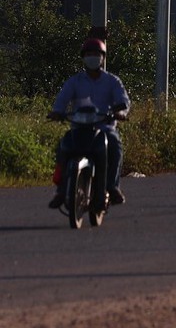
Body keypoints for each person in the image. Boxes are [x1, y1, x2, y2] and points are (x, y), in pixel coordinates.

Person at [47, 38, 130, 209]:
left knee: (114, 146)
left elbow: (123, 101)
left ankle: (113, 187)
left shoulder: (112, 81)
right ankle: (61, 190)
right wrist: (57, 112)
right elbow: (62, 99)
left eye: (96, 54)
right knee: (63, 146)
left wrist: (120, 113)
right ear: (83, 57)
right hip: (79, 128)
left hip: (104, 128)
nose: (93, 57)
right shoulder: (75, 81)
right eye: (89, 54)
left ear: (103, 57)